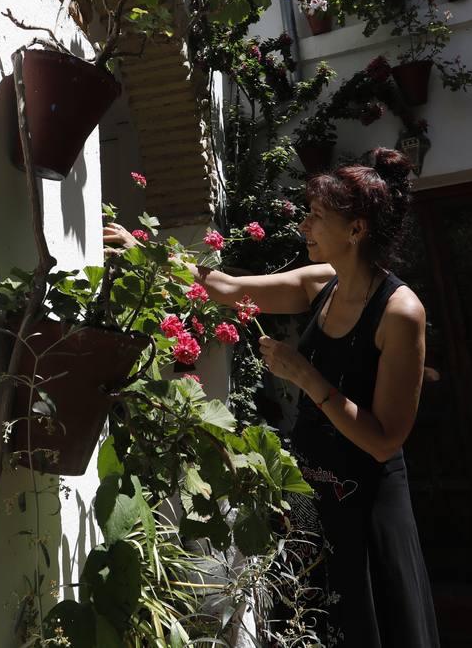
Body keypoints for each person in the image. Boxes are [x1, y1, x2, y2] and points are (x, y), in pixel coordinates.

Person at [104, 147, 440, 647]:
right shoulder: (320, 284)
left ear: (356, 230)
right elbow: (224, 286)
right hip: (311, 493)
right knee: (307, 624)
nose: (305, 225)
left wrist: (305, 376)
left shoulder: (399, 312)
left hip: (364, 502)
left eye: (316, 217)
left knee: (370, 628)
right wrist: (143, 250)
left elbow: (385, 440)